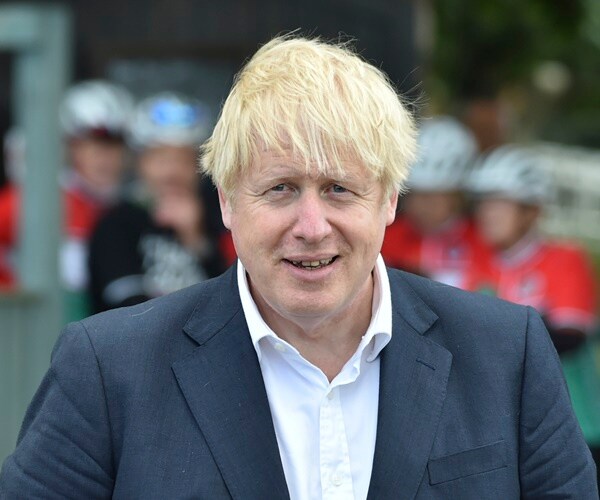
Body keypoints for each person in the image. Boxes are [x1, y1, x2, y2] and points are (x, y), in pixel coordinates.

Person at [0, 36, 596, 499]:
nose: (311, 225)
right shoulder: (107, 370)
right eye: (281, 188)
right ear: (227, 202)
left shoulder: (506, 355)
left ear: (389, 199)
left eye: (339, 189)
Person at [0, 81, 133, 318]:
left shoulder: (130, 209)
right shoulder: (32, 201)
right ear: (67, 147)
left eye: (114, 145)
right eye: (92, 143)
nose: (104, 157)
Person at [88, 92, 227, 312]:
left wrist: (196, 239)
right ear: (139, 162)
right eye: (160, 158)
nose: (172, 171)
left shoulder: (218, 217)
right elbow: (125, 307)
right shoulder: (116, 222)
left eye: (183, 159)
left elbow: (234, 301)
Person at [467, 145, 597, 353]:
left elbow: (569, 338)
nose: (487, 213)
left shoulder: (565, 259)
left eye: (500, 203)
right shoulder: (471, 257)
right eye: (484, 202)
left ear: (532, 211)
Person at [381, 116, 491, 290]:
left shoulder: (485, 242)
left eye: (431, 197)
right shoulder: (385, 237)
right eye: (414, 194)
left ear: (457, 195)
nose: (419, 205)